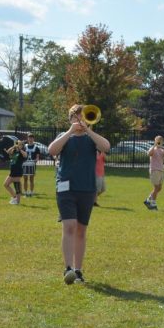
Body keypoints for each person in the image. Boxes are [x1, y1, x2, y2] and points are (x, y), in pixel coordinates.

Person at [48, 103, 111, 285]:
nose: (79, 120)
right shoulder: (64, 136)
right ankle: (68, 268)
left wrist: (88, 130)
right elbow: (52, 150)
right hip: (65, 188)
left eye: (82, 116)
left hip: (87, 188)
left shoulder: (92, 138)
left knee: (81, 230)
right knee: (69, 226)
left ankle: (78, 270)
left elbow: (106, 146)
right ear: (70, 119)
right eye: (75, 117)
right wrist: (70, 131)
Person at [144, 135, 164, 210]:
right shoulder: (153, 149)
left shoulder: (162, 150)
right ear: (155, 140)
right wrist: (154, 145)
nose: (159, 142)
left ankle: (148, 200)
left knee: (159, 188)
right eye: (158, 140)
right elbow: (149, 154)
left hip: (161, 170)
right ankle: (153, 204)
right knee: (156, 187)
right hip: (154, 170)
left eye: (161, 140)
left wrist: (162, 147)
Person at [4, 139, 26, 204]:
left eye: (20, 144)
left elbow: (25, 155)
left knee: (17, 186)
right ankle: (14, 197)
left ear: (22, 146)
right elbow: (8, 152)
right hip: (12, 171)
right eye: (18, 144)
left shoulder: (22, 152)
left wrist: (20, 149)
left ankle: (18, 202)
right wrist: (14, 146)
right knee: (6, 184)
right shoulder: (13, 151)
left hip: (18, 171)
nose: (19, 145)